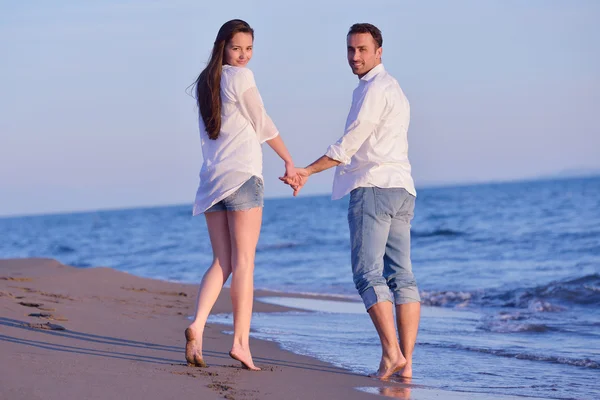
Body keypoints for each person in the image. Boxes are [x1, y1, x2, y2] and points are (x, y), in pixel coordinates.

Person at [282, 23, 420, 380]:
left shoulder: (374, 89)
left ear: (379, 51)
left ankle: (392, 354)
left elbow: (349, 145)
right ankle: (405, 365)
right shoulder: (395, 89)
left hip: (373, 188)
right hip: (402, 188)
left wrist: (307, 171)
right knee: (402, 277)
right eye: (350, 50)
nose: (355, 57)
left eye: (362, 49)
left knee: (368, 274)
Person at [186, 19, 296, 371]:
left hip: (212, 183)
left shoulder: (207, 83)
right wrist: (289, 160)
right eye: (237, 48)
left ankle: (198, 326)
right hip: (244, 178)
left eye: (249, 49)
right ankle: (240, 344)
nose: (244, 55)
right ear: (223, 46)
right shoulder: (240, 78)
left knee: (223, 262)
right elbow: (261, 122)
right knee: (245, 263)